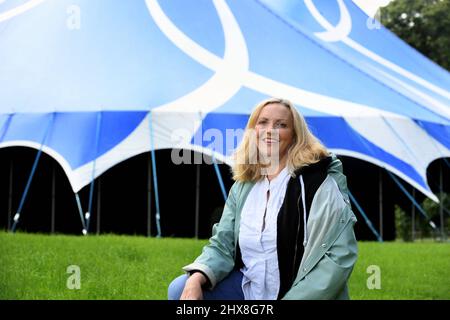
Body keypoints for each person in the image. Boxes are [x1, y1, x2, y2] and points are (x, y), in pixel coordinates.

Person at [168, 97, 358, 300]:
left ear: (295, 135)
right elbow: (223, 243)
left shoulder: (319, 182)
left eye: (281, 125)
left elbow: (338, 255)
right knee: (181, 289)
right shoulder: (244, 186)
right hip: (250, 290)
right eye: (263, 122)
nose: (270, 130)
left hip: (300, 295)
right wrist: (197, 277)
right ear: (253, 130)